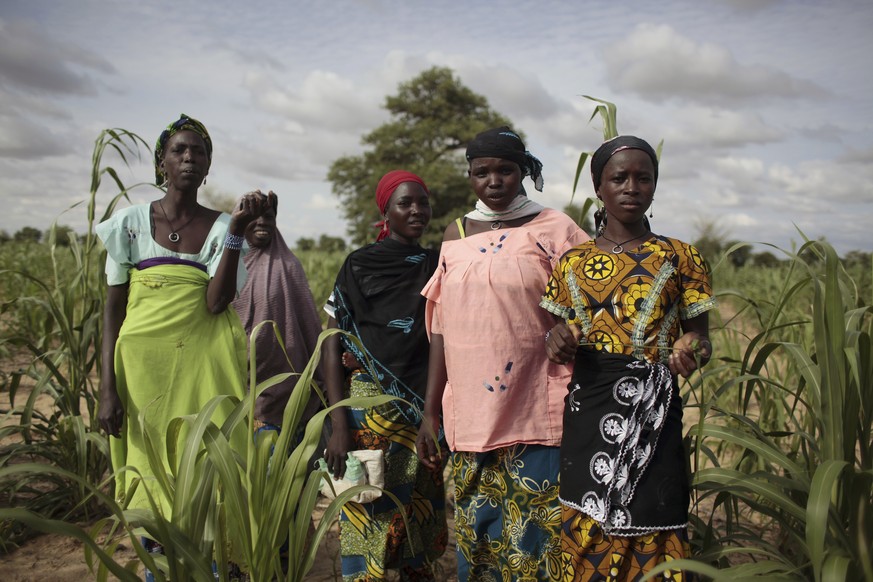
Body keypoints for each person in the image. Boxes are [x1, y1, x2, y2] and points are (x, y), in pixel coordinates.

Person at [415, 127, 589, 581]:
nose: (494, 180)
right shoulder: (455, 235)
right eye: (482, 172)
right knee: (481, 535)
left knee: (539, 535)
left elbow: (596, 300)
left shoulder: (555, 227)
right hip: (471, 413)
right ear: (470, 176)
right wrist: (429, 412)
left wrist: (570, 331)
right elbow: (440, 330)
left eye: (505, 170)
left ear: (524, 171)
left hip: (540, 407)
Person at [540, 135, 716, 580]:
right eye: (619, 177)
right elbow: (553, 335)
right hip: (589, 404)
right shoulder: (571, 262)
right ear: (599, 186)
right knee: (586, 518)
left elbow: (702, 339)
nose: (632, 187)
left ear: (655, 186)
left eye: (644, 178)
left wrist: (691, 349)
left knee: (655, 511)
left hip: (653, 410)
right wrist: (557, 339)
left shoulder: (680, 257)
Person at [96, 114, 269, 522]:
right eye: (180, 150)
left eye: (199, 151)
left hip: (203, 365)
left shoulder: (224, 226)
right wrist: (107, 388)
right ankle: (160, 564)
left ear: (208, 167)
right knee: (149, 465)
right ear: (163, 164)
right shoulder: (130, 224)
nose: (190, 157)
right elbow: (112, 313)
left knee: (210, 458)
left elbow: (216, 302)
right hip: (141, 372)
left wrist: (237, 230)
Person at [322, 170, 448, 581]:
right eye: (405, 203)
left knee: (419, 519)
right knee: (369, 512)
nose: (416, 210)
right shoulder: (359, 265)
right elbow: (332, 340)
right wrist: (338, 425)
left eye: (422, 203)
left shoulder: (438, 263)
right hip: (369, 412)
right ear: (386, 212)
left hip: (425, 411)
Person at [231, 192, 323, 438]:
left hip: (285, 387)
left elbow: (309, 326)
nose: (262, 222)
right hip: (236, 383)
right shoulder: (226, 265)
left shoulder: (288, 265)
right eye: (253, 216)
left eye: (269, 216)